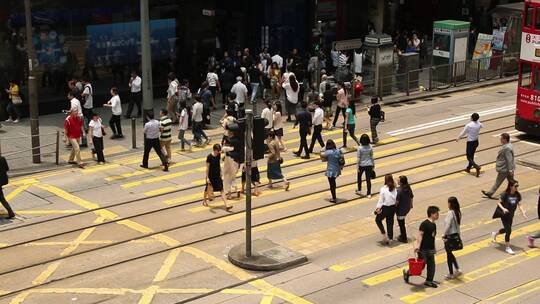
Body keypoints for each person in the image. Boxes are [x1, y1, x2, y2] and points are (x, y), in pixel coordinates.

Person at [405, 206, 440, 288]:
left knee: (432, 265)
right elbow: (420, 235)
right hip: (423, 249)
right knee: (421, 266)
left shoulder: (433, 225)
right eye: (437, 213)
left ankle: (429, 281)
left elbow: (433, 237)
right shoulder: (424, 224)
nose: (438, 215)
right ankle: (408, 273)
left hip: (430, 249)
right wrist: (417, 246)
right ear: (432, 214)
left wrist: (434, 248)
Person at [491, 181, 527, 255]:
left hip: (511, 215)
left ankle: (495, 233)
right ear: (511, 186)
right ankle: (508, 248)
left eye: (517, 186)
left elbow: (519, 204)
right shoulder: (505, 194)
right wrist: (503, 209)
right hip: (504, 214)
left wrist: (523, 212)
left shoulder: (517, 194)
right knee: (509, 231)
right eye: (515, 186)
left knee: (507, 229)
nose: (517, 187)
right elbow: (498, 202)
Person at [482, 133, 515, 198]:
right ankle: (513, 191)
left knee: (498, 182)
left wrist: (510, 169)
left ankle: (490, 193)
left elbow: (509, 159)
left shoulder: (507, 148)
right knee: (512, 182)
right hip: (508, 168)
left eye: (501, 139)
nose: (500, 140)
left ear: (505, 139)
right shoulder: (508, 145)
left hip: (505, 168)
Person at [203, 144, 231, 210]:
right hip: (211, 176)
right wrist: (207, 178)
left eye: (219, 151)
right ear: (214, 150)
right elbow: (207, 168)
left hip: (217, 175)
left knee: (221, 189)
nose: (218, 152)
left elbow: (218, 164)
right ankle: (204, 200)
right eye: (217, 151)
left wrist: (221, 172)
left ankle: (227, 205)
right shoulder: (209, 157)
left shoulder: (218, 155)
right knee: (207, 189)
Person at [456, 113, 483, 177]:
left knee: (469, 157)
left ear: (472, 118)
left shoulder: (469, 125)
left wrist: (458, 138)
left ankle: (476, 166)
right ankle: (468, 168)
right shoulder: (479, 124)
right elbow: (482, 126)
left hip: (470, 142)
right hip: (476, 142)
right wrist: (477, 121)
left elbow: (463, 133)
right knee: (472, 155)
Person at [443, 197, 462, 279]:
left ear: (450, 204)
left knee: (448, 255)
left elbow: (448, 225)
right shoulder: (458, 212)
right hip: (456, 235)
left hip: (449, 236)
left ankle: (451, 273)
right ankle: (457, 269)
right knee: (450, 253)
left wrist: (444, 235)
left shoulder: (450, 213)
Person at [375, 174, 397, 244]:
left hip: (385, 208)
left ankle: (384, 235)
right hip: (393, 208)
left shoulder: (383, 189)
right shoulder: (395, 188)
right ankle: (390, 238)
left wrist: (378, 208)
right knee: (390, 223)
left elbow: (381, 200)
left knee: (378, 220)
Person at [396, 175, 414, 243]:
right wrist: (411, 205)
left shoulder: (399, 191)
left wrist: (393, 208)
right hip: (407, 208)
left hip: (400, 210)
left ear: (401, 182)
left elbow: (397, 202)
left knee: (401, 224)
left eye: (398, 180)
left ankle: (404, 237)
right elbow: (412, 197)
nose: (397, 181)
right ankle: (402, 235)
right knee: (402, 222)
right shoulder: (408, 187)